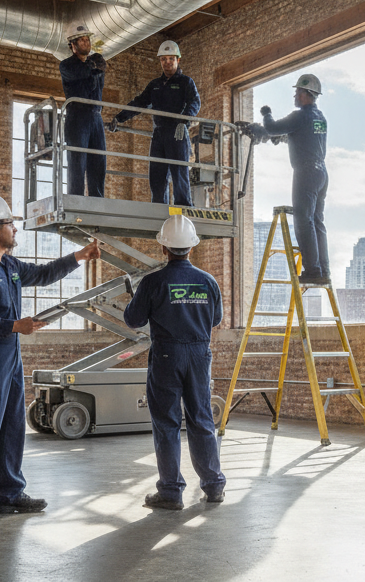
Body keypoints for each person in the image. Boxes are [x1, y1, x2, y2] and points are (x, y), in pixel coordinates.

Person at [0, 193, 100, 528]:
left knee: (12, 425)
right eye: (9, 224)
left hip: (9, 354)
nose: (14, 229)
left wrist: (81, 255)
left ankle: (9, 494)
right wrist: (14, 326)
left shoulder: (9, 265)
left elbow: (44, 273)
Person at [123, 213, 226, 510]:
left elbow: (134, 320)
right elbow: (216, 319)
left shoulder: (153, 282)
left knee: (167, 423)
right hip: (198, 354)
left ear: (164, 248)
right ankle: (214, 485)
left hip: (167, 356)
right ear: (191, 247)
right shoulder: (208, 281)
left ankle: (170, 492)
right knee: (202, 419)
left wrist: (138, 302)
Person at [255, 72, 329, 286]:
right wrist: (283, 138)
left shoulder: (301, 115)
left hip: (305, 173)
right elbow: (303, 138)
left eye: (297, 92)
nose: (295, 96)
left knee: (303, 221)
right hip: (321, 173)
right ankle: (323, 270)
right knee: (317, 221)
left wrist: (266, 113)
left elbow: (272, 128)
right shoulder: (320, 118)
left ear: (306, 94)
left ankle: (313, 270)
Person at [110, 40, 200, 207]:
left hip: (177, 132)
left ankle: (183, 208)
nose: (167, 63)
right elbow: (140, 103)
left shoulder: (185, 82)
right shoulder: (155, 85)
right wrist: (120, 117)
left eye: (171, 59)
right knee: (157, 175)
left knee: (179, 173)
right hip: (158, 134)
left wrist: (184, 120)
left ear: (178, 60)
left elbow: (194, 102)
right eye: (163, 59)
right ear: (160, 61)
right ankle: (158, 208)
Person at [59, 23, 107, 197]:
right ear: (73, 45)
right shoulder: (66, 66)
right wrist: (94, 68)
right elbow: (81, 73)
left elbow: (96, 86)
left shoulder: (94, 65)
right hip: (77, 117)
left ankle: (97, 200)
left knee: (98, 161)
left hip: (95, 117)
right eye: (82, 40)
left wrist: (97, 69)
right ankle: (75, 200)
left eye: (87, 39)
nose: (86, 43)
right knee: (77, 163)